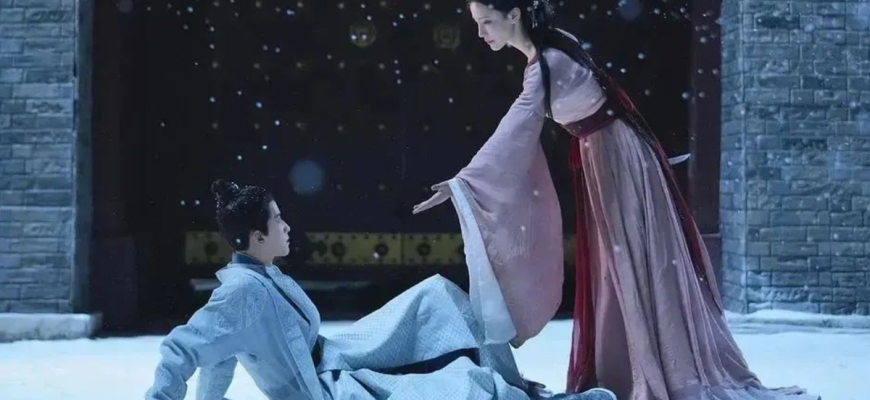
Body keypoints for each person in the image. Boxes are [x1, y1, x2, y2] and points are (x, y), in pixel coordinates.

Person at [412, 1, 819, 400]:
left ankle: (652, 367)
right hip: (610, 153)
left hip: (616, 157)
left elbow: (513, 130)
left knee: (631, 262)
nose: (480, 33)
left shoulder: (547, 64)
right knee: (621, 264)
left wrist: (463, 183)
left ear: (514, 14)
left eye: (486, 21)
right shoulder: (553, 50)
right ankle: (631, 365)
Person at [144, 179, 616, 400]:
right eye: (278, 220)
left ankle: (519, 390)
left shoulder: (260, 277)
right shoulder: (241, 294)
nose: (287, 227)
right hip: (326, 389)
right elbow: (185, 349)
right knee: (455, 387)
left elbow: (220, 354)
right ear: (256, 236)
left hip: (337, 355)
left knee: (437, 297)